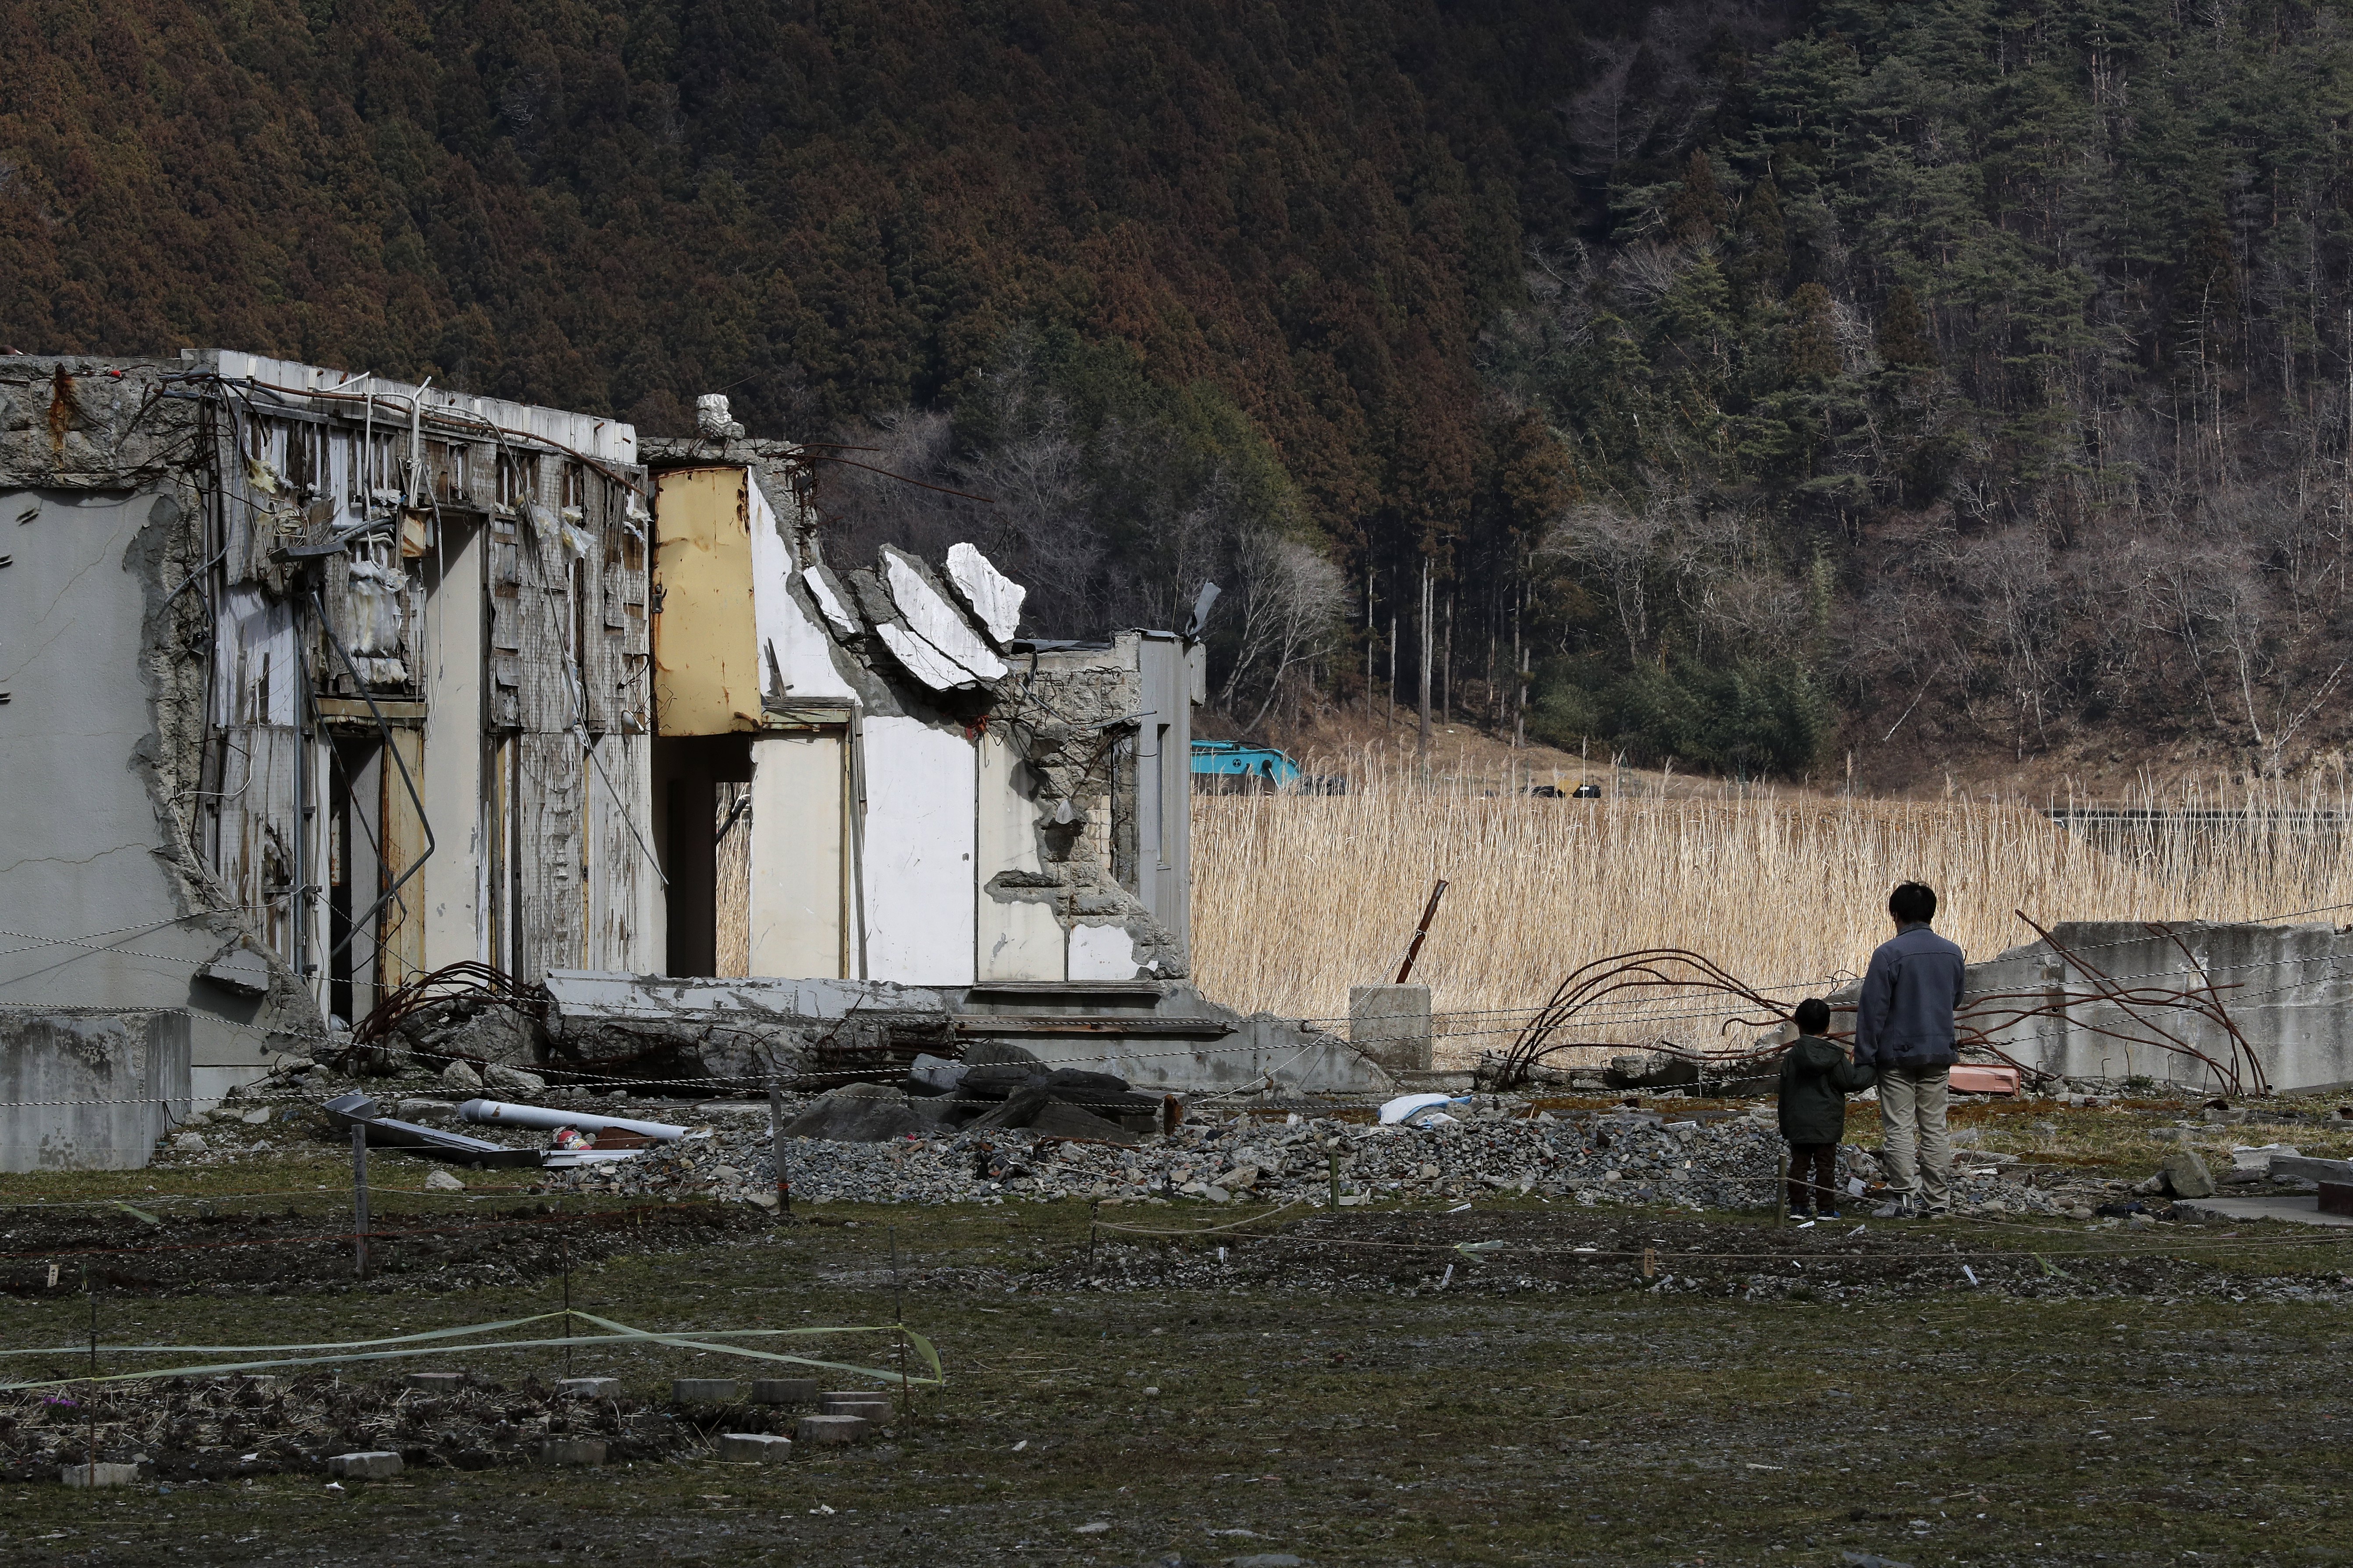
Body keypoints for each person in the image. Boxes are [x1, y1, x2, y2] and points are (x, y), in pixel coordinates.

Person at [1855, 880, 1966, 1218]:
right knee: (1935, 1127)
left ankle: (1904, 1199)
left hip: (1897, 1057)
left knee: (1899, 1128)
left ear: (1895, 914)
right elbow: (1956, 999)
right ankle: (1938, 1202)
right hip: (1939, 1052)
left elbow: (1872, 1010)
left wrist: (1864, 1057)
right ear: (1931, 913)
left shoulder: (1888, 954)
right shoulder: (1952, 952)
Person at [1777, 997, 1876, 1219]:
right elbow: (1853, 1081)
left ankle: (1799, 1207)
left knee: (1799, 1166)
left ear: (1797, 1024)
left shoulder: (1792, 1057)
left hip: (1799, 1122)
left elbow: (1783, 1094)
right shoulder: (1835, 1057)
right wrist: (1873, 1068)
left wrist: (1786, 1124)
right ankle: (1826, 1208)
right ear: (1828, 1026)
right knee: (1825, 1167)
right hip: (1827, 1123)